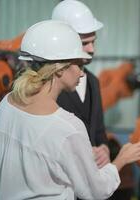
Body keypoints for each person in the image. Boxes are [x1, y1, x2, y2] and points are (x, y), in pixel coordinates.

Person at [0, 20, 140, 200]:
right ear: (59, 69)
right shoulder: (68, 128)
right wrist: (120, 160)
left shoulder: (6, 105)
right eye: (79, 65)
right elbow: (95, 191)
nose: (82, 73)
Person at [52, 0, 110, 169]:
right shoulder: (47, 84)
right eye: (84, 43)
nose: (91, 49)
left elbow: (98, 129)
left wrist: (104, 148)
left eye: (93, 41)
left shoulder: (93, 81)